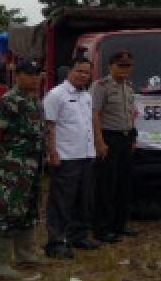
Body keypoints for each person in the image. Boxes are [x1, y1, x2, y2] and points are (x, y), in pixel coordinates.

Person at [0, 59, 46, 278]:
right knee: (9, 209)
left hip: (33, 164)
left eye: (37, 74)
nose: (34, 78)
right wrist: (1, 154)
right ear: (18, 75)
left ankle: (25, 254)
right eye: (29, 74)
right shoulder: (9, 100)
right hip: (14, 164)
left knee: (29, 208)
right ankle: (0, 263)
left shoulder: (34, 100)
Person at [42, 55, 99, 258]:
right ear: (69, 72)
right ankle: (56, 241)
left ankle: (78, 235)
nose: (83, 75)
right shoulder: (56, 95)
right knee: (61, 202)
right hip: (65, 157)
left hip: (85, 155)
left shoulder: (86, 95)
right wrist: (52, 153)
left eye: (87, 72)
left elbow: (89, 124)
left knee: (84, 199)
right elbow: (49, 126)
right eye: (79, 71)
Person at [92, 49, 137, 243]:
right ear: (111, 66)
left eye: (127, 66)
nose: (124, 69)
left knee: (124, 184)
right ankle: (102, 228)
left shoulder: (129, 87)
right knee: (106, 185)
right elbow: (94, 115)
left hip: (126, 139)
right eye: (120, 65)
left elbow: (131, 115)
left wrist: (132, 139)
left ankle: (120, 225)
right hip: (109, 139)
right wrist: (99, 141)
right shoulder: (101, 86)